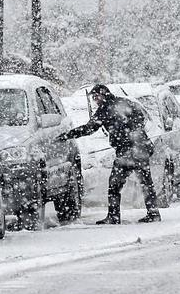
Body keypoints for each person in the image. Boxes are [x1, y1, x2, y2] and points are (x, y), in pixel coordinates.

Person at [56, 84, 161, 224]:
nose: (95, 100)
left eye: (96, 97)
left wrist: (67, 135)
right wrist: (133, 131)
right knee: (146, 183)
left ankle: (114, 216)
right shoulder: (124, 102)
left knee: (114, 185)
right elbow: (141, 117)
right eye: (93, 98)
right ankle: (153, 213)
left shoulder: (105, 110)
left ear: (104, 94)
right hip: (141, 148)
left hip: (128, 151)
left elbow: (89, 129)